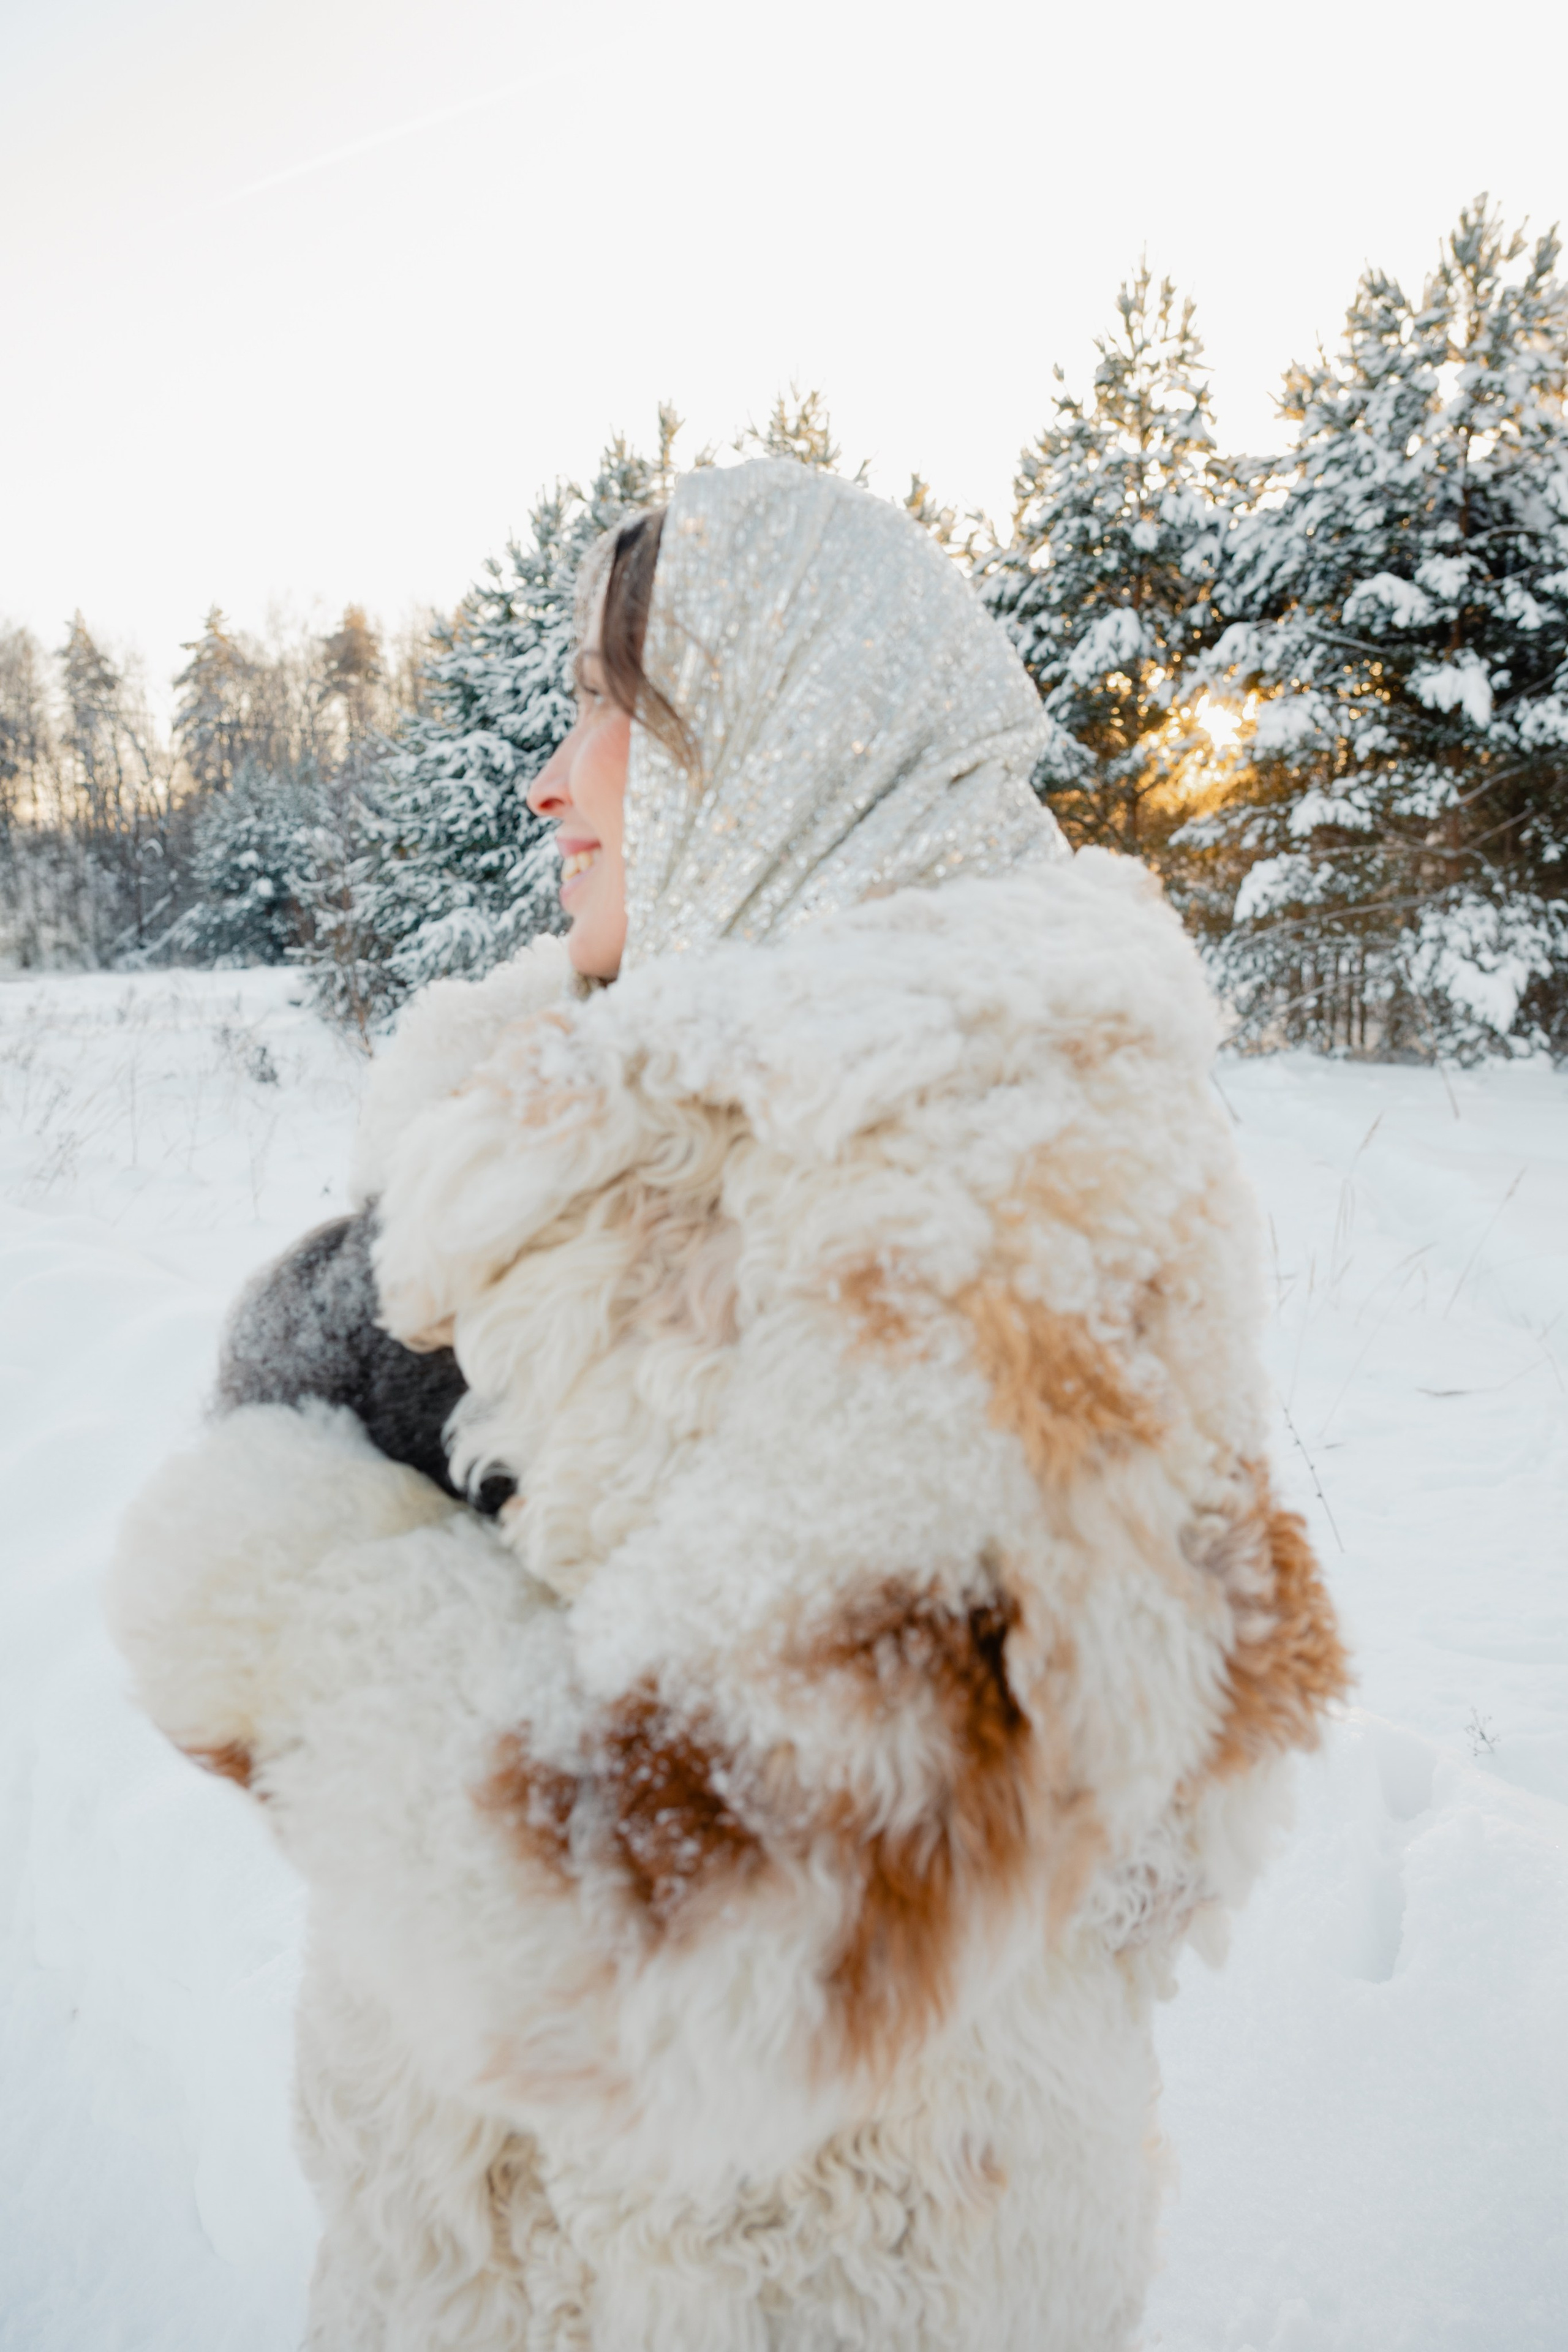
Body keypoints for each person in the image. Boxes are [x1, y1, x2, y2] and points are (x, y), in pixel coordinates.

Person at [108, 459, 1348, 2351]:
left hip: (806, 2284)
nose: (553, 776)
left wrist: (286, 1591)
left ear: (767, 733)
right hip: (516, 2257)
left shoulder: (979, 1194)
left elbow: (701, 1950)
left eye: (607, 707)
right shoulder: (635, 1119)